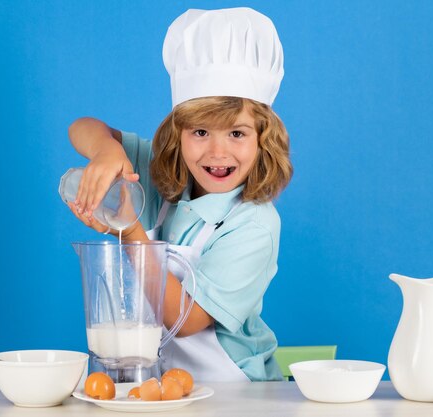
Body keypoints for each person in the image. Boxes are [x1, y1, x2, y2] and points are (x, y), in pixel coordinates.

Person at [67, 7, 292, 382]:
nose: (217, 153)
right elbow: (82, 127)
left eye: (236, 133)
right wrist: (106, 150)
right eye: (200, 132)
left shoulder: (255, 224)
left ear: (263, 140)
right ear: (177, 134)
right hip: (164, 384)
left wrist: (129, 232)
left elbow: (185, 320)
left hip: (239, 393)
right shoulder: (158, 175)